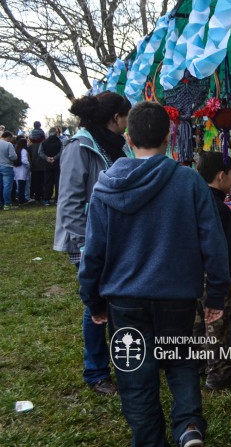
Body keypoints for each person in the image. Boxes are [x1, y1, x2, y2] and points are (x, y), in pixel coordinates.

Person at [78, 102, 230, 447]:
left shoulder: (106, 186)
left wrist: (94, 301)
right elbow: (213, 242)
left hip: (124, 301)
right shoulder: (189, 181)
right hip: (177, 298)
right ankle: (189, 427)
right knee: (180, 364)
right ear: (169, 136)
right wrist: (216, 294)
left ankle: (149, 439)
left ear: (128, 137)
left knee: (135, 375)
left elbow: (94, 252)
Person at [54, 92, 132, 396]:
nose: (127, 125)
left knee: (118, 302)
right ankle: (97, 372)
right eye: (126, 118)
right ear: (116, 118)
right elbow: (70, 202)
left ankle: (127, 361)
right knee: (96, 306)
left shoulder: (117, 145)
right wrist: (86, 246)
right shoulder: (80, 146)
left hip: (116, 237)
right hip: (88, 241)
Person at [195, 151, 231, 390]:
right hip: (213, 276)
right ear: (220, 176)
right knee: (218, 325)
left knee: (197, 322)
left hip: (190, 273)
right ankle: (220, 374)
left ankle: (198, 365)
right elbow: (224, 249)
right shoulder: (219, 209)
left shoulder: (193, 199)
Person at [40, 127, 64, 204]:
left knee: (47, 182)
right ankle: (58, 199)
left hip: (47, 164)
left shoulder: (44, 142)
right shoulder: (60, 142)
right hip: (57, 164)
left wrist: (47, 158)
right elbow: (61, 151)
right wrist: (55, 158)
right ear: (56, 133)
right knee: (58, 182)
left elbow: (40, 152)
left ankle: (47, 199)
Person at [0, 130, 18, 210]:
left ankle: (1, 202)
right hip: (7, 167)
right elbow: (13, 157)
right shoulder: (8, 144)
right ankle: (7, 204)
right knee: (7, 186)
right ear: (8, 137)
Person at [12, 137, 30, 205]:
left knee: (19, 185)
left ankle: (20, 199)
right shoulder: (24, 150)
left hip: (16, 169)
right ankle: (22, 200)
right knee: (22, 186)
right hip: (22, 169)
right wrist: (29, 166)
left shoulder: (16, 149)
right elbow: (24, 160)